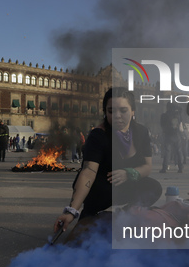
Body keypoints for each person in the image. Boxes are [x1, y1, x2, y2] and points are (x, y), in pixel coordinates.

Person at [53, 87, 162, 235]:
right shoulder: (98, 135)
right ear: (105, 112)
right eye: (111, 111)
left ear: (133, 111)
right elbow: (88, 172)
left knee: (153, 187)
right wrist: (71, 211)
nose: (117, 116)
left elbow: (147, 167)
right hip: (101, 189)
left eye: (123, 110)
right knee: (84, 232)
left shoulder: (141, 132)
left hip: (127, 185)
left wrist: (129, 173)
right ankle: (88, 217)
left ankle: (124, 217)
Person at [159, 102, 184, 173]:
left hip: (168, 135)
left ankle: (165, 168)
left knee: (167, 152)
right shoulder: (177, 115)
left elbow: (162, 125)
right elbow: (180, 127)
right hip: (176, 134)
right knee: (179, 152)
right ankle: (180, 167)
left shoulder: (164, 115)